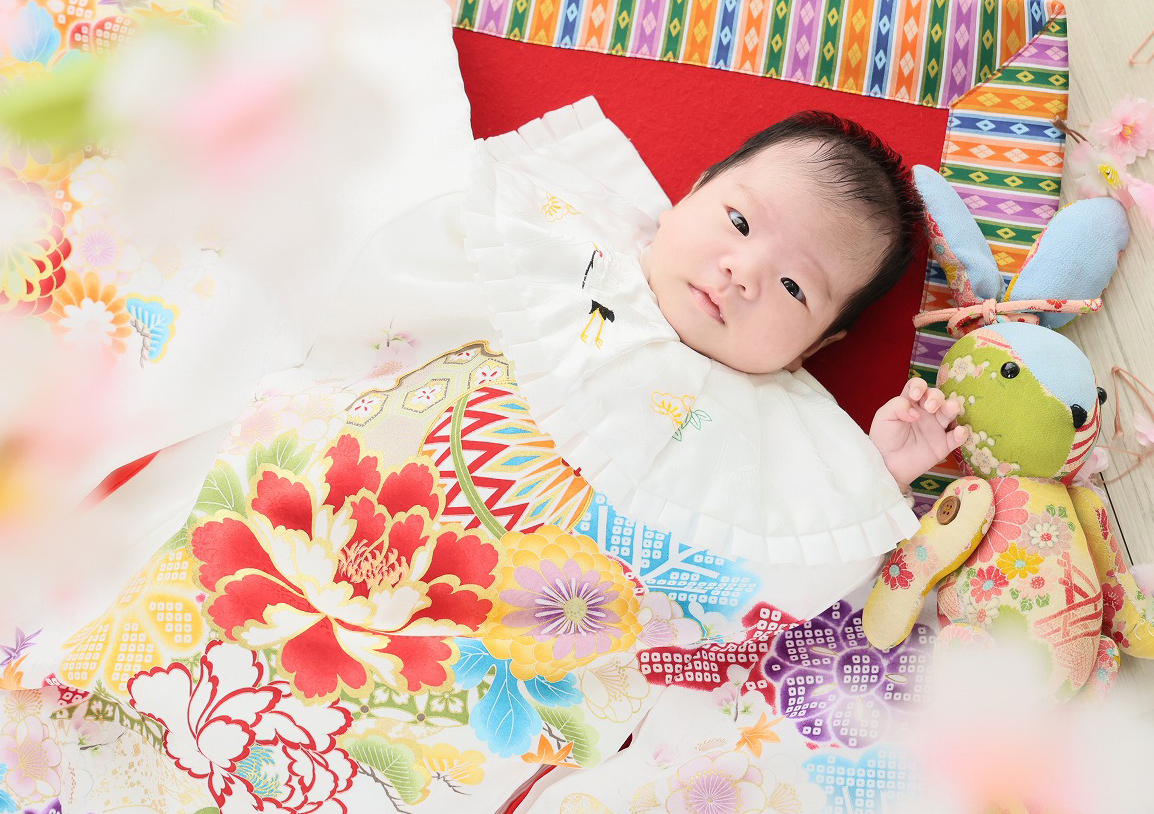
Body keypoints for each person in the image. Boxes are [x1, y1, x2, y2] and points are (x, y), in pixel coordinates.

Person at [640, 110, 970, 496]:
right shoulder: (587, 229)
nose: (743, 272)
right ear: (692, 192)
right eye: (740, 222)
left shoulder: (785, 428)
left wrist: (882, 477)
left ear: (813, 345)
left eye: (792, 286)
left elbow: (819, 522)